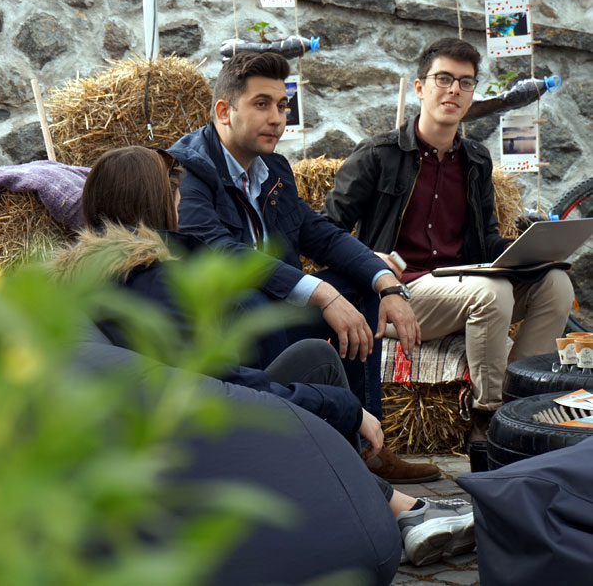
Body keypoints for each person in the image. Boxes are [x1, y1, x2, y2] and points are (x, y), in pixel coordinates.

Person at [53, 145, 475, 566]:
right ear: (154, 200)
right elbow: (226, 388)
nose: (180, 195)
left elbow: (321, 236)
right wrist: (346, 408)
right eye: (173, 187)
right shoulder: (154, 281)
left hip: (170, 427)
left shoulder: (95, 278)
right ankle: (395, 512)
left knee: (315, 357)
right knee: (317, 375)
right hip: (208, 440)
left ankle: (390, 506)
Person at [167, 51, 439, 484]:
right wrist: (321, 293)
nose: (277, 118)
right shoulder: (189, 171)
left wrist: (386, 283)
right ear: (223, 111)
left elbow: (318, 233)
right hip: (220, 325)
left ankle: (367, 445)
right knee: (252, 301)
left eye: (282, 105)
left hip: (272, 308)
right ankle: (292, 453)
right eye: (262, 104)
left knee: (357, 288)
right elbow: (220, 250)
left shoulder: (273, 168)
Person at [322, 38, 574, 469]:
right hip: (399, 295)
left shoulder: (476, 160)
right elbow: (326, 228)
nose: (454, 90)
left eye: (465, 82)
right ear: (420, 88)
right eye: (443, 79)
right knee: (491, 293)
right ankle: (487, 416)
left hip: (461, 286)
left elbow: (486, 240)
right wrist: (369, 263)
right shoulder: (378, 155)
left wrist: (528, 251)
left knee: (556, 285)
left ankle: (518, 402)